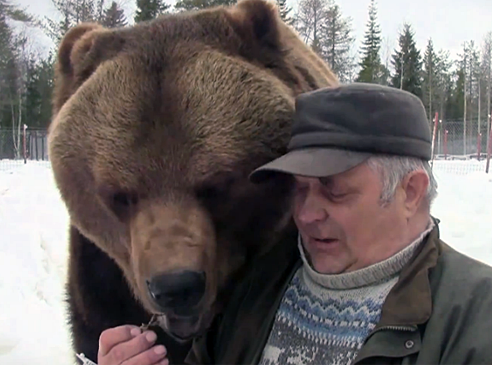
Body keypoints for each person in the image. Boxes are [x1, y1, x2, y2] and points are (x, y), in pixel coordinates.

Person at [95, 83, 492, 365]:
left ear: (410, 192)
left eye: (333, 190)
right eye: (298, 189)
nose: (305, 213)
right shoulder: (256, 285)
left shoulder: (476, 319)